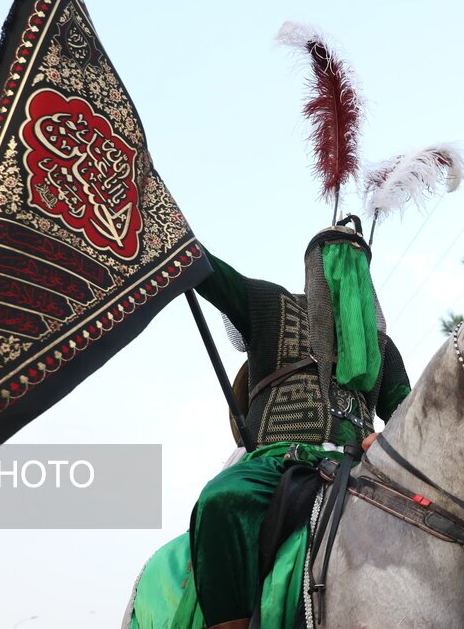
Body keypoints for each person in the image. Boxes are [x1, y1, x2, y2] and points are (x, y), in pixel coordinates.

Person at [189, 217, 411, 629]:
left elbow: (410, 414)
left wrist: (387, 438)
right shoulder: (269, 303)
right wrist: (170, 231)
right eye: (338, 258)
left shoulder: (382, 347)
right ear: (314, 266)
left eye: (357, 262)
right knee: (221, 498)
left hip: (363, 466)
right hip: (279, 459)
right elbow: (207, 271)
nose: (348, 269)